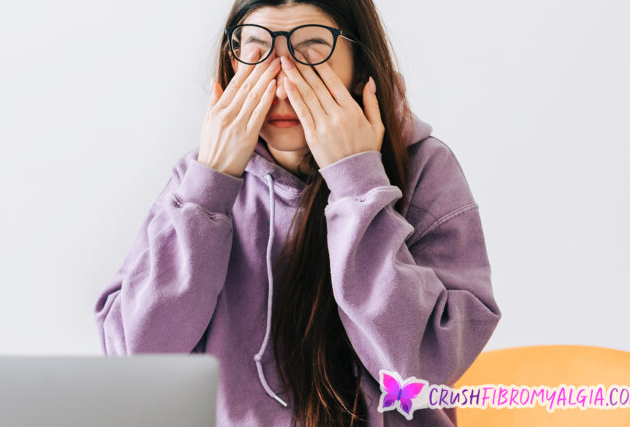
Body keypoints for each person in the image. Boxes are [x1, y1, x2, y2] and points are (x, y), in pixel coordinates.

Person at [92, 1, 501, 425]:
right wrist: (208, 188)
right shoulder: (197, 182)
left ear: (360, 66)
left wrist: (357, 183)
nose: (283, 85)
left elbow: (423, 367)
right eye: (256, 48)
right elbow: (136, 361)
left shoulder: (423, 169)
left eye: (312, 49)